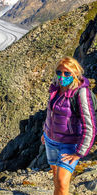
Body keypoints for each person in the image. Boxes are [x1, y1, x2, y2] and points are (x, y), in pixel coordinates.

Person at [41, 56, 96, 195]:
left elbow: (90, 126)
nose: (62, 76)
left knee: (62, 182)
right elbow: (50, 114)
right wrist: (45, 132)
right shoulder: (56, 88)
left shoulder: (81, 93)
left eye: (67, 73)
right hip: (50, 141)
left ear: (76, 74)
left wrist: (79, 153)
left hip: (69, 144)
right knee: (56, 178)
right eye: (59, 72)